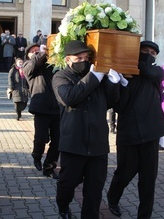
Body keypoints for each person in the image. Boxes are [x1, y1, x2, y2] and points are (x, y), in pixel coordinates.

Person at [52, 40, 121, 218]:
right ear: (68, 60)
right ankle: (63, 205)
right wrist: (93, 78)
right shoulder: (61, 77)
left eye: (86, 57)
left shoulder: (97, 76)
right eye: (79, 58)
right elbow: (69, 98)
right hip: (74, 143)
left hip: (98, 143)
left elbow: (111, 102)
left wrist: (113, 83)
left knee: (94, 188)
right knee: (68, 183)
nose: (84, 61)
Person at [107, 41, 164, 218]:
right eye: (145, 51)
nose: (149, 54)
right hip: (129, 132)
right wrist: (121, 82)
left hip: (151, 132)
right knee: (125, 173)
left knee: (148, 179)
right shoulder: (127, 74)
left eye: (153, 52)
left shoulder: (157, 71)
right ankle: (112, 198)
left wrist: (129, 59)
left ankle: (144, 215)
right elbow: (118, 106)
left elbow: (149, 71)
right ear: (138, 51)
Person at [22, 43, 60, 179]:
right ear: (28, 55)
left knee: (58, 140)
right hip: (41, 109)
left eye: (39, 50)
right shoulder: (28, 66)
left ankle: (49, 167)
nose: (38, 53)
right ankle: (36, 155)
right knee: (41, 138)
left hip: (57, 108)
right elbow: (33, 64)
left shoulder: (50, 65)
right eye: (34, 52)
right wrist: (41, 53)